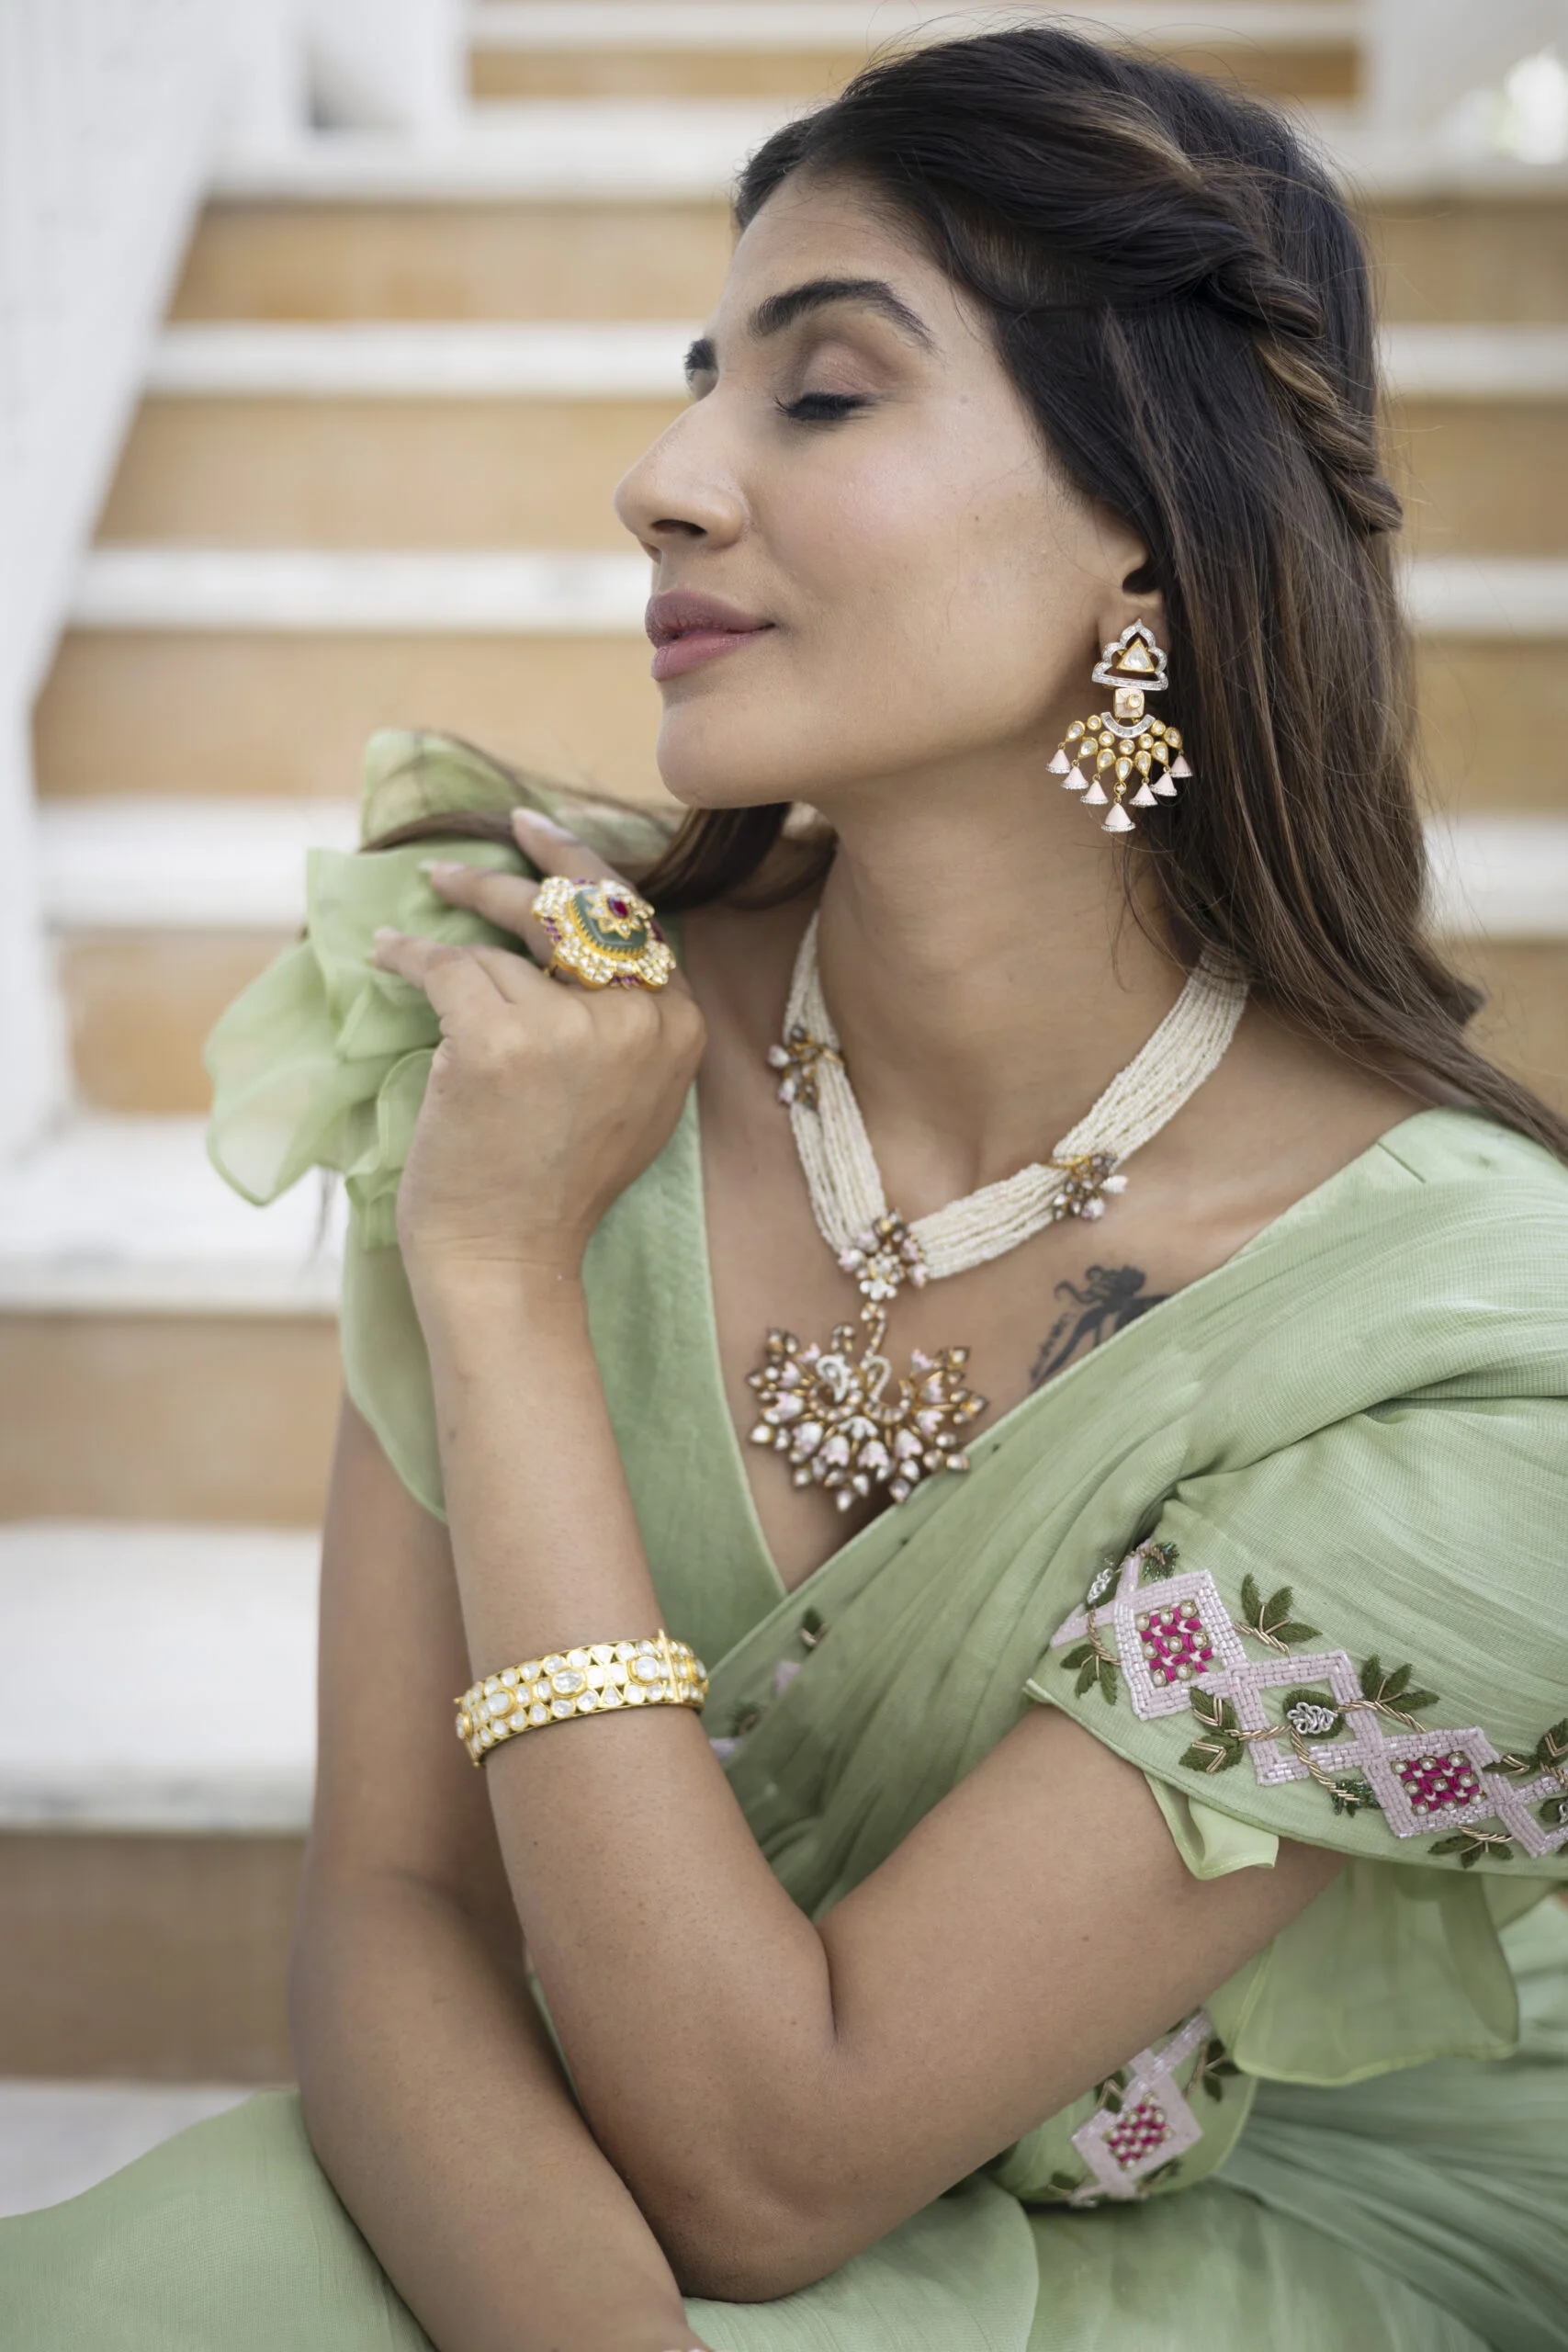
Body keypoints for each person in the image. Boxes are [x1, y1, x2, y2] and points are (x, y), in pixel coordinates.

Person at [6, 26, 1567, 2351]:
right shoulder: (526, 1025)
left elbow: (778, 2153)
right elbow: (394, 1906)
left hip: (1275, 2220)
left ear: (1148, 511)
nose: (661, 480)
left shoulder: (1469, 1341)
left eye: (819, 395)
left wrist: (514, 1301)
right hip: (591, 2158)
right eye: (694, 384)